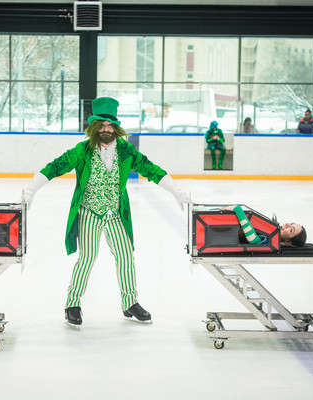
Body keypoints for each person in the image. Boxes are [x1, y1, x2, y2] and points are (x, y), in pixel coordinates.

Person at [22, 97, 190, 326]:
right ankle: (73, 303)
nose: (106, 130)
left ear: (116, 128)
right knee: (88, 257)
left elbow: (151, 169)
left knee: (125, 256)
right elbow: (55, 166)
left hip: (115, 214)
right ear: (94, 128)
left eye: (110, 125)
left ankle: (130, 303)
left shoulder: (126, 151)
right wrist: (31, 190)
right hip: (90, 212)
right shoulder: (83, 150)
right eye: (101, 125)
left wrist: (177, 192)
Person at [223, 205, 307, 247]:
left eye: (291, 229)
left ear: (288, 242)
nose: (287, 224)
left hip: (222, 236)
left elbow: (253, 240)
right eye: (291, 223)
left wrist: (238, 210)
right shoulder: (271, 229)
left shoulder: (269, 239)